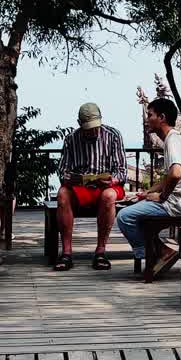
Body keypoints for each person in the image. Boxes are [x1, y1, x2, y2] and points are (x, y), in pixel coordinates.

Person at [117, 98, 181, 280]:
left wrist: (161, 196)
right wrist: (148, 193)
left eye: (150, 115)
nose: (147, 119)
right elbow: (168, 176)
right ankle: (162, 250)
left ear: (162, 117)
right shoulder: (179, 139)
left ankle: (150, 256)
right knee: (135, 209)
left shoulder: (172, 141)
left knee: (124, 217)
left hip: (177, 204)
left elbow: (175, 174)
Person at [53, 103, 127, 271]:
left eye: (95, 127)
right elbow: (63, 171)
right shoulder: (71, 139)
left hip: (107, 186)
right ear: (79, 124)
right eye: (88, 129)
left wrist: (112, 180)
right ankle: (66, 253)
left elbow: (122, 171)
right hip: (81, 186)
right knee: (62, 194)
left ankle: (100, 251)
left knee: (108, 196)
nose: (93, 132)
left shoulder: (113, 136)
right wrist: (74, 179)